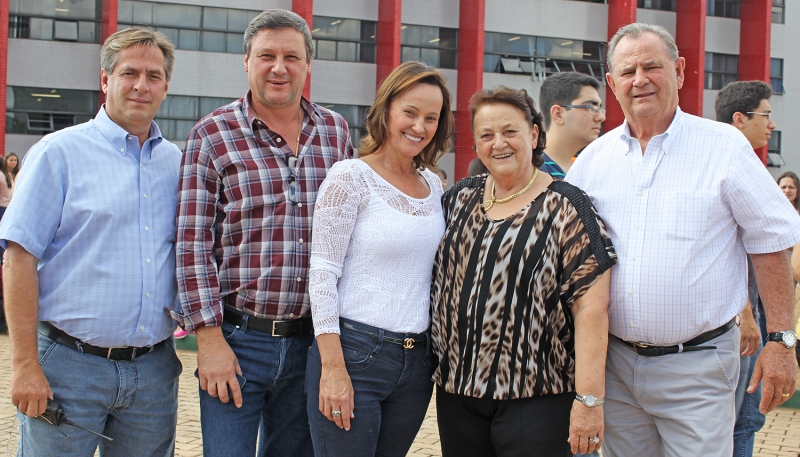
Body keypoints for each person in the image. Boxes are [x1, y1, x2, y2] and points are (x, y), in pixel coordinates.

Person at [566, 23, 800, 457]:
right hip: (614, 367)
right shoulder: (592, 162)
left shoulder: (724, 147)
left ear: (679, 70)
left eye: (651, 66)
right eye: (628, 71)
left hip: (698, 365)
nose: (640, 80)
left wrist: (781, 339)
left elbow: (770, 242)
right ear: (613, 84)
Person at [173, 9, 353, 457]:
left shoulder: (335, 132)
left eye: (291, 57)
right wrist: (208, 341)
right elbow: (192, 245)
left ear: (308, 64)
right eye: (267, 56)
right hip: (237, 341)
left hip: (311, 343)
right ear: (247, 62)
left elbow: (350, 236)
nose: (279, 68)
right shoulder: (212, 135)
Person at [0, 27, 182, 455]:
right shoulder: (58, 153)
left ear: (165, 87)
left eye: (153, 76)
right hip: (68, 369)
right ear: (105, 80)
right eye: (129, 73)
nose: (141, 85)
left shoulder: (177, 163)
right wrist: (24, 365)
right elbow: (19, 260)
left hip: (153, 373)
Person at [430, 85, 617, 456]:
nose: (499, 143)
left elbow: (592, 310)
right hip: (457, 394)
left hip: (538, 399)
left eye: (509, 131)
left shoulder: (568, 206)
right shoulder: (457, 200)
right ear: (476, 144)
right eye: (486, 135)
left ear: (533, 134)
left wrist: (589, 401)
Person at [306, 60, 454, 457]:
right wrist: (332, 368)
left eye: (431, 118)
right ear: (387, 110)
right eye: (410, 112)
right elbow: (322, 275)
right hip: (355, 354)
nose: (419, 126)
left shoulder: (434, 185)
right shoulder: (350, 176)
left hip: (417, 362)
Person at [715, 79, 778, 457]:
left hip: (746, 318)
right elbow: (727, 250)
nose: (772, 124)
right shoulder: (729, 168)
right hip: (739, 324)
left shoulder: (741, 164)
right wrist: (747, 317)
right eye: (765, 115)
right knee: (740, 420)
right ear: (740, 119)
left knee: (746, 418)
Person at [538, 72, 606, 178]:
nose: (601, 117)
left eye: (600, 108)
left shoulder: (583, 172)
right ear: (558, 114)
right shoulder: (530, 173)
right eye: (590, 107)